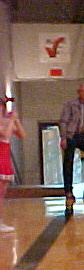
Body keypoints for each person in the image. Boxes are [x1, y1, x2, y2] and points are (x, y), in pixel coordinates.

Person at [0, 96, 25, 233]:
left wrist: (16, 120)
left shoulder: (6, 121)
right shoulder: (5, 123)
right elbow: (5, 134)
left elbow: (22, 135)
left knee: (2, 193)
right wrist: (11, 120)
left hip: (4, 158)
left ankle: (0, 222)